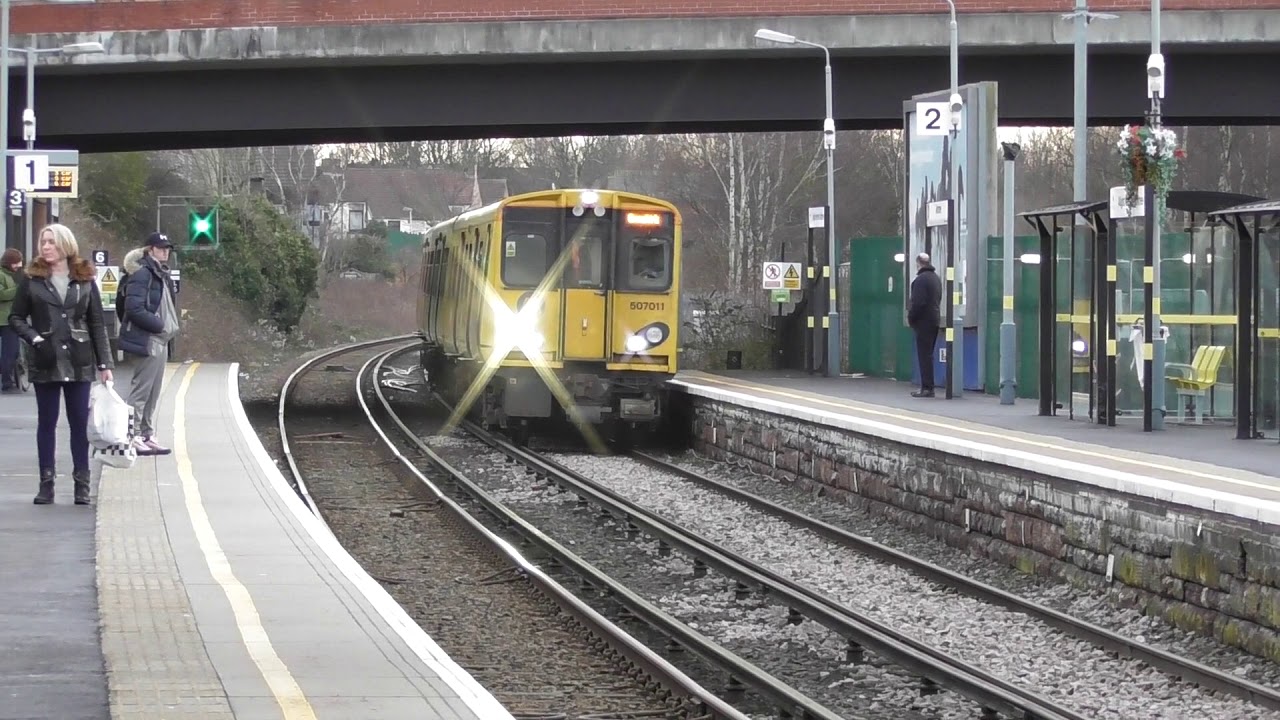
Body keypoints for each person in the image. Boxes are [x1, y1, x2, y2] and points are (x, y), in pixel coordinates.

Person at [8, 224, 114, 505]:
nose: (45, 247)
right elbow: (16, 317)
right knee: (47, 422)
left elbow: (96, 323)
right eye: (43, 241)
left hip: (79, 360)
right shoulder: (32, 280)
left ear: (65, 245)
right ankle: (46, 483)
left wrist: (105, 363)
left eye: (51, 242)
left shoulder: (84, 278)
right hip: (45, 358)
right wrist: (34, 338)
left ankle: (82, 483)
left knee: (79, 423)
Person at [119, 232, 180, 456]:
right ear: (150, 250)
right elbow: (133, 308)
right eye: (161, 248)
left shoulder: (159, 273)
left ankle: (146, 432)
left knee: (153, 391)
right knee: (141, 389)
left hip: (159, 339)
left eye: (167, 248)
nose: (165, 251)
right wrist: (158, 325)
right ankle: (132, 435)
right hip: (148, 339)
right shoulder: (143, 274)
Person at [907, 252, 942, 398]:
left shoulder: (920, 280)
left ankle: (927, 388)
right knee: (928, 354)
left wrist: (911, 318)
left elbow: (918, 303)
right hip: (934, 319)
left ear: (918, 263)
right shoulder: (935, 278)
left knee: (924, 356)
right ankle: (928, 386)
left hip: (923, 322)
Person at [0, 249, 23, 392]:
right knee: (10, 351)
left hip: (8, 319)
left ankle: (8, 380)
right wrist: (18, 290)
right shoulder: (2, 275)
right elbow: (1, 294)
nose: (18, 266)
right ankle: (7, 382)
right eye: (16, 263)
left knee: (10, 352)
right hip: (5, 320)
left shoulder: (9, 275)